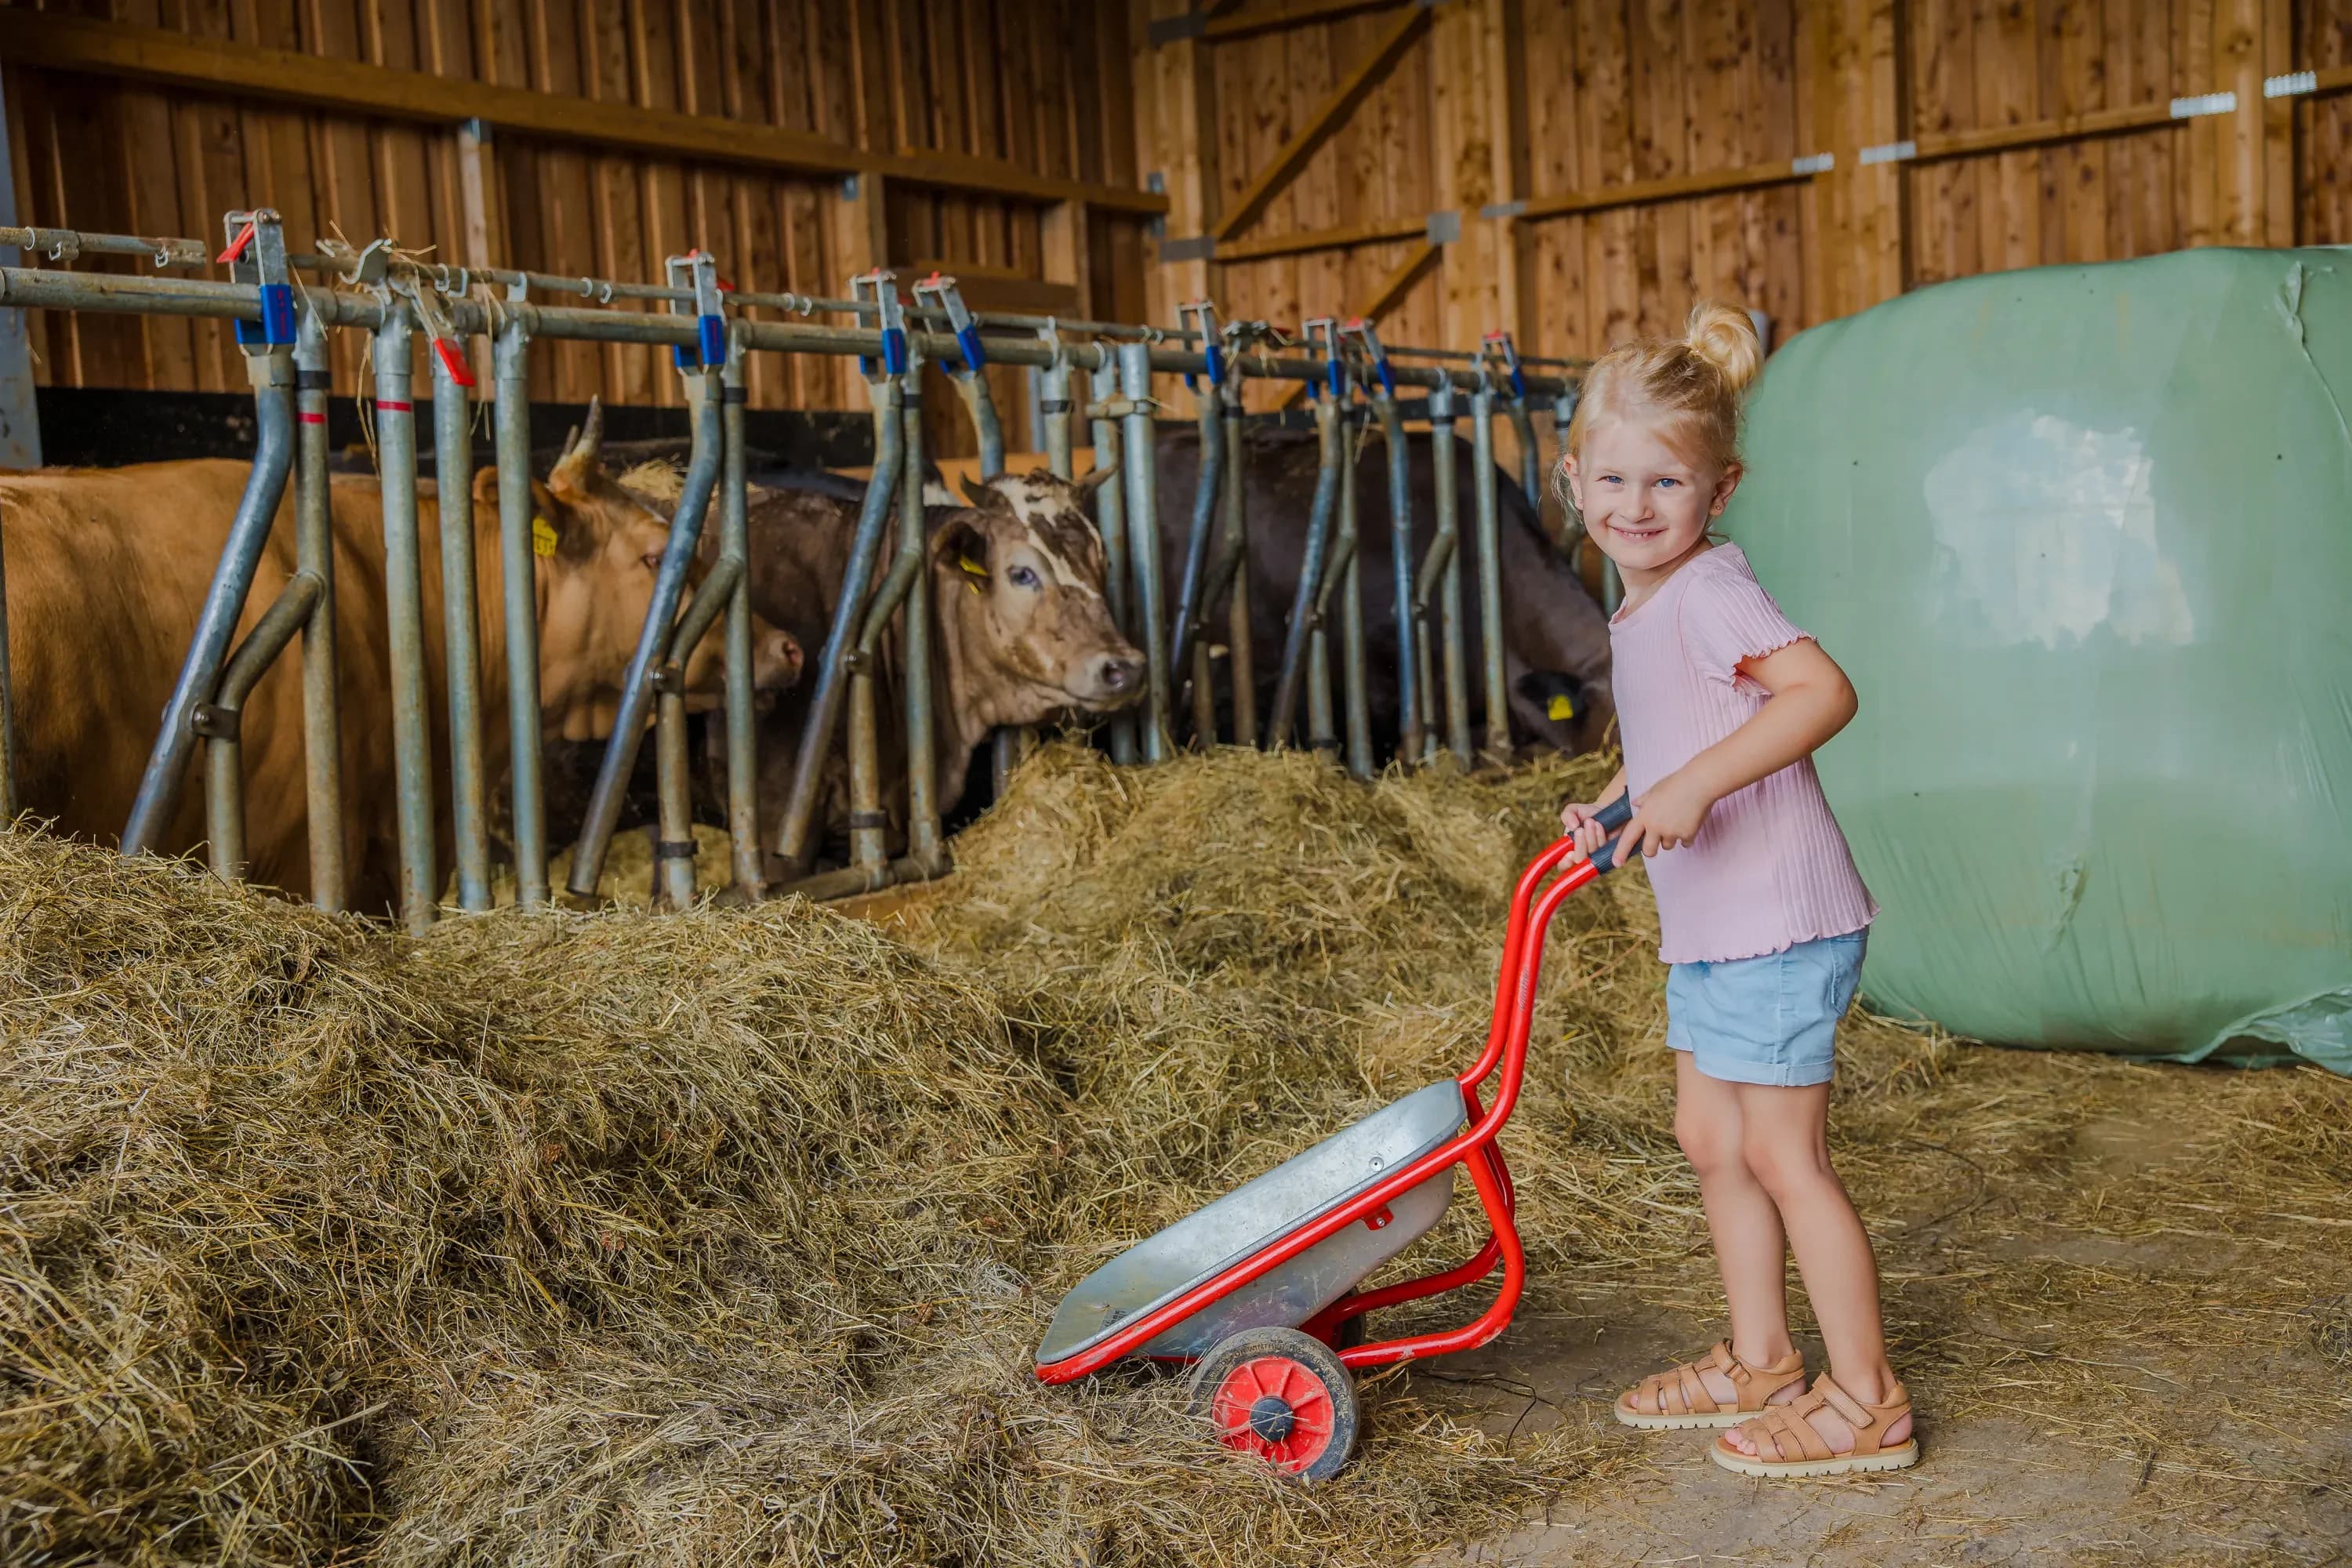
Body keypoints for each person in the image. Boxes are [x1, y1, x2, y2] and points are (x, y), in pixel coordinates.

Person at [1558, 301, 1917, 1479]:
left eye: (1668, 482)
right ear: (1573, 481)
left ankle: (1864, 1398)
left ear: (1721, 489)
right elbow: (1683, 730)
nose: (1637, 505)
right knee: (1709, 1135)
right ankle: (1764, 1358)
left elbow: (1820, 694)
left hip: (1777, 918)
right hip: (1710, 923)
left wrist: (1700, 788)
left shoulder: (1709, 587)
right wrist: (1624, 802)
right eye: (1614, 478)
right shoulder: (1642, 601)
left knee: (1781, 1156)